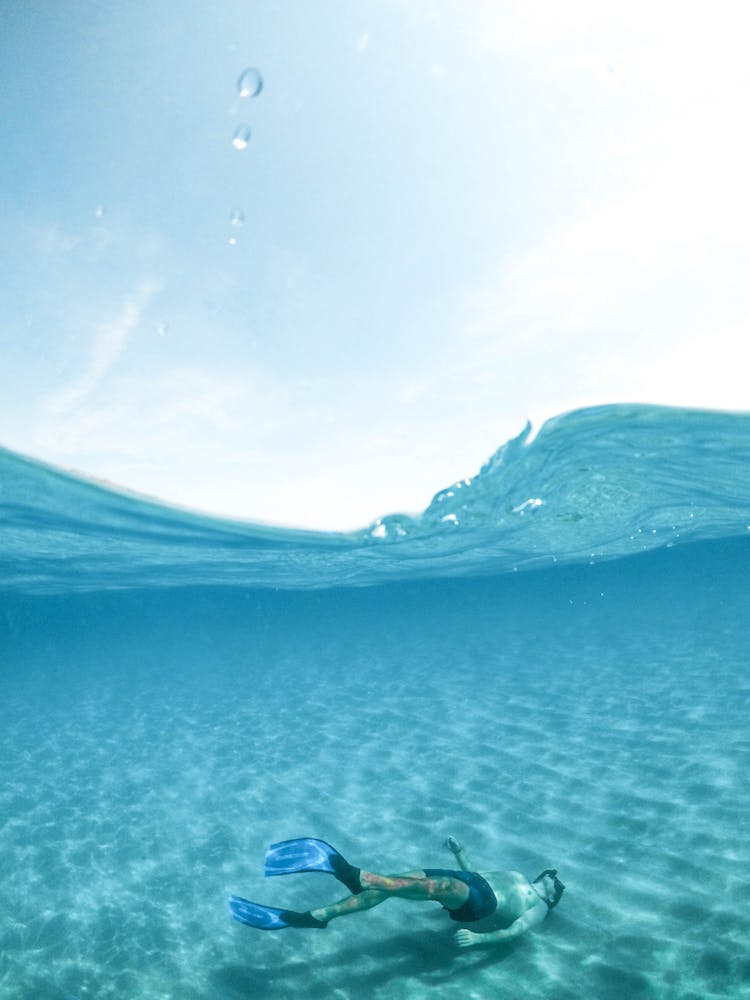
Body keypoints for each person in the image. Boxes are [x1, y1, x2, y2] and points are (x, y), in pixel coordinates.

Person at [229, 835, 564, 948]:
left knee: (437, 887)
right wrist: (460, 853)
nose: (555, 880)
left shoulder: (541, 907)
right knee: (393, 885)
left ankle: (356, 875)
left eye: (558, 887)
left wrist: (479, 940)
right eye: (554, 877)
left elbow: (515, 930)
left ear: (552, 895)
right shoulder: (519, 874)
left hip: (479, 903)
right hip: (467, 878)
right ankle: (318, 916)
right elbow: (476, 872)